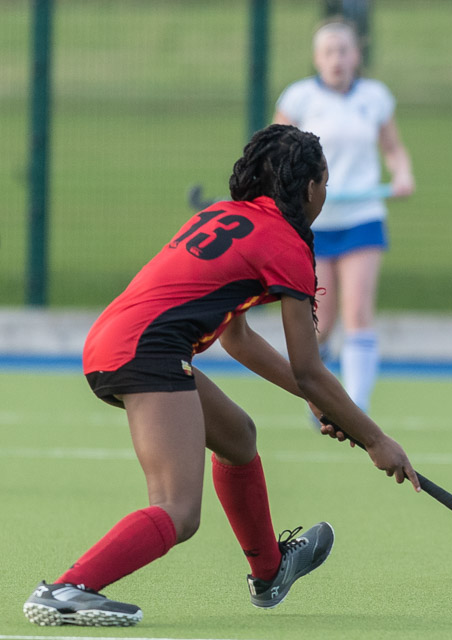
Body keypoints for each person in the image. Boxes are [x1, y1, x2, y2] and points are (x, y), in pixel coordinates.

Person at [23, 124, 420, 628]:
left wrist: (320, 402)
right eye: (326, 182)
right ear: (309, 188)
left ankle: (270, 572)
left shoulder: (227, 214)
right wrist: (376, 440)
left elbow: (240, 341)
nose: (326, 193)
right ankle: (69, 589)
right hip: (149, 349)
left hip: (115, 338)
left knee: (237, 437)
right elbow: (310, 368)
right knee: (179, 510)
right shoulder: (289, 245)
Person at [274, 18, 415, 415]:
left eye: (343, 51)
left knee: (358, 311)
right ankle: (318, 396)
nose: (337, 59)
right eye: (328, 52)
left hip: (362, 217)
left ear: (356, 55)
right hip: (313, 222)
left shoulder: (374, 97)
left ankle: (356, 405)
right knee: (325, 317)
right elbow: (275, 151)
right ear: (317, 58)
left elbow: (393, 148)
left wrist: (402, 174)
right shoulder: (299, 98)